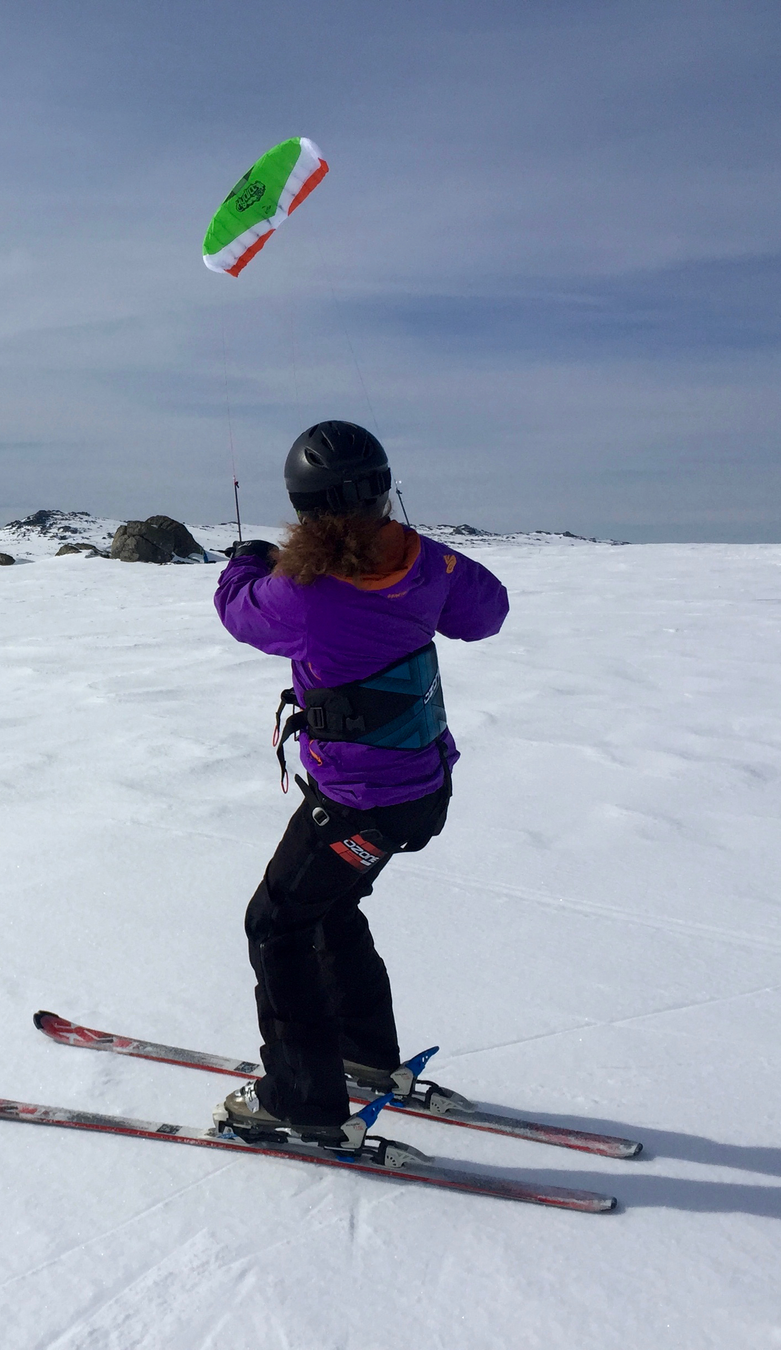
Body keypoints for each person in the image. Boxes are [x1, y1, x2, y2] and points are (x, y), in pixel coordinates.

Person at [212, 421, 509, 1146]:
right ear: (381, 490)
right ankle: (362, 1058)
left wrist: (244, 563)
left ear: (302, 504)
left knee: (275, 927)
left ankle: (302, 1100)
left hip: (357, 807)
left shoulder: (304, 592)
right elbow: (487, 612)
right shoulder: (426, 566)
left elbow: (239, 613)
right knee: (328, 910)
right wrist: (429, 567)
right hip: (420, 795)